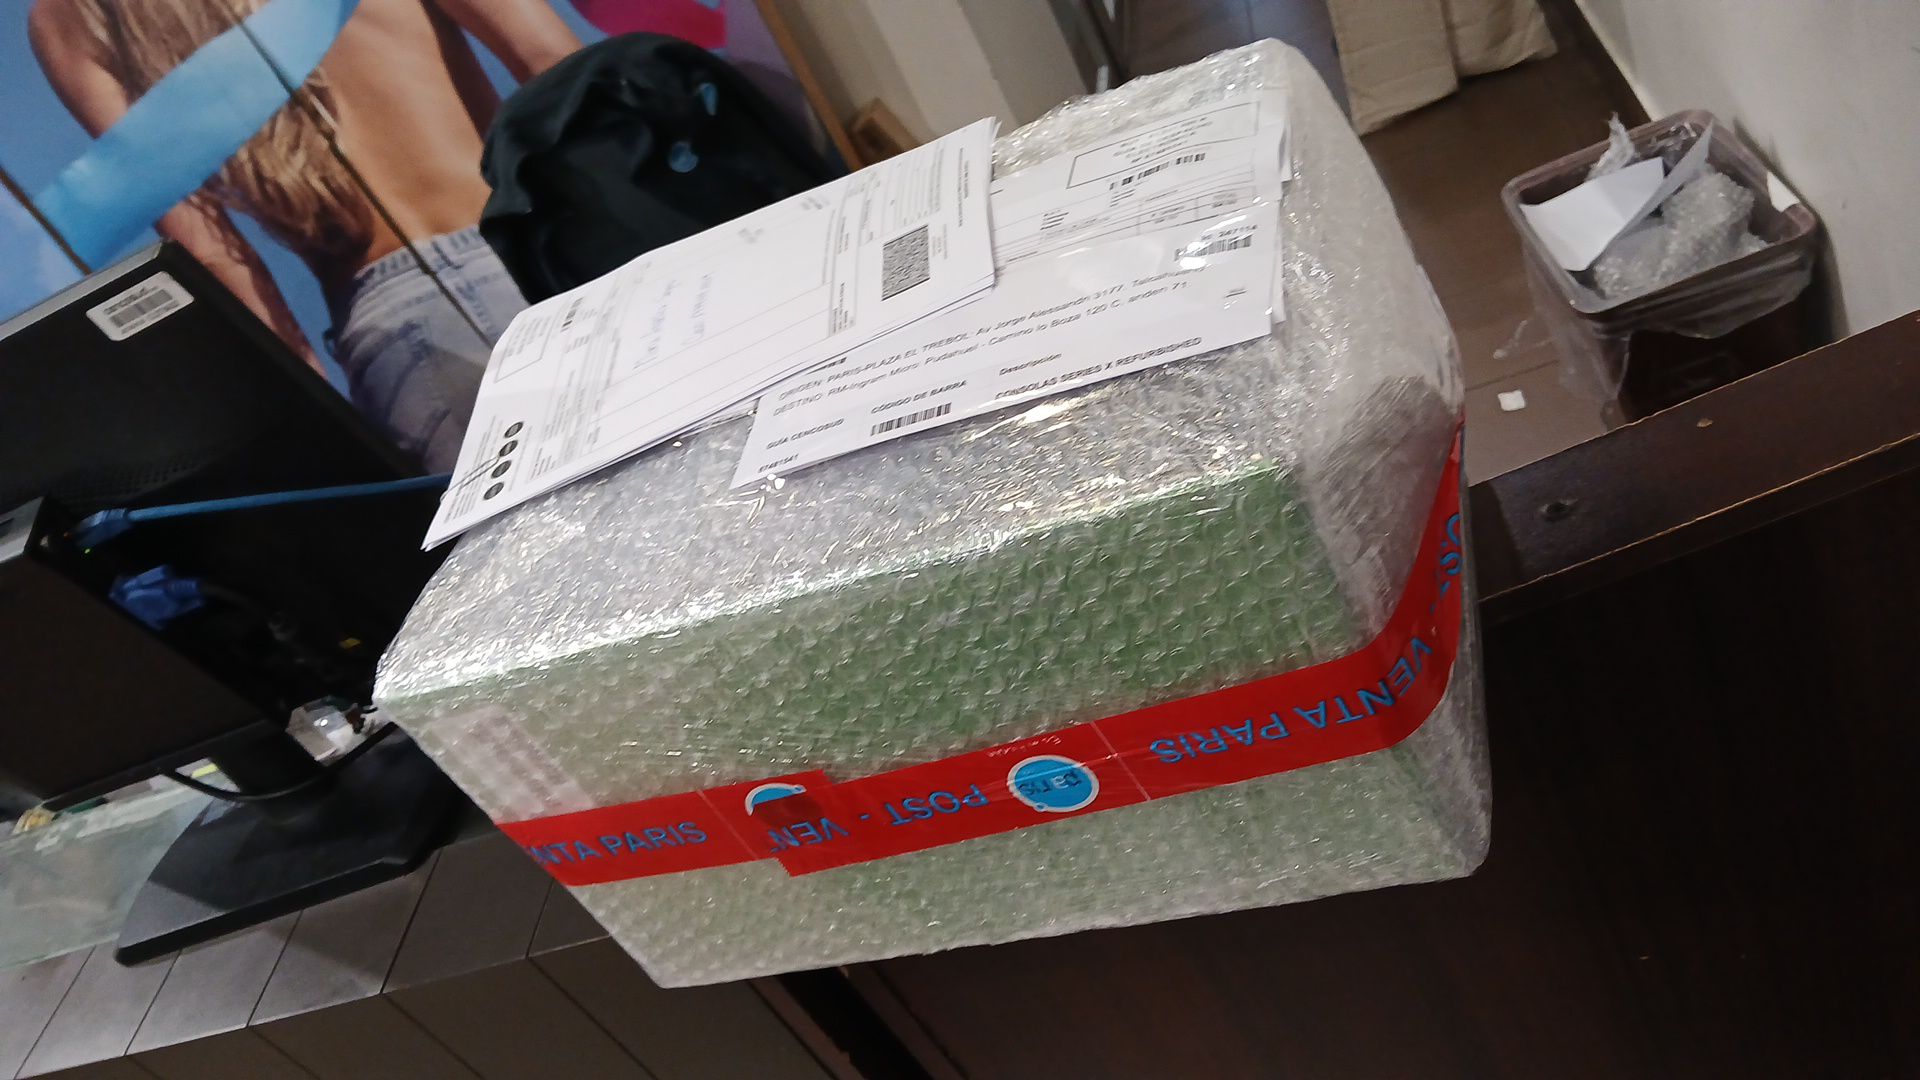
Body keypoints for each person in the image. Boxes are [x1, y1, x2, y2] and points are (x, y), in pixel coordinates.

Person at [28, 0, 583, 470]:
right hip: (545, 246)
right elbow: (553, 61)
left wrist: (323, 419)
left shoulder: (69, 15)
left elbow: (213, 252)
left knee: (549, 559)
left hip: (402, 333)